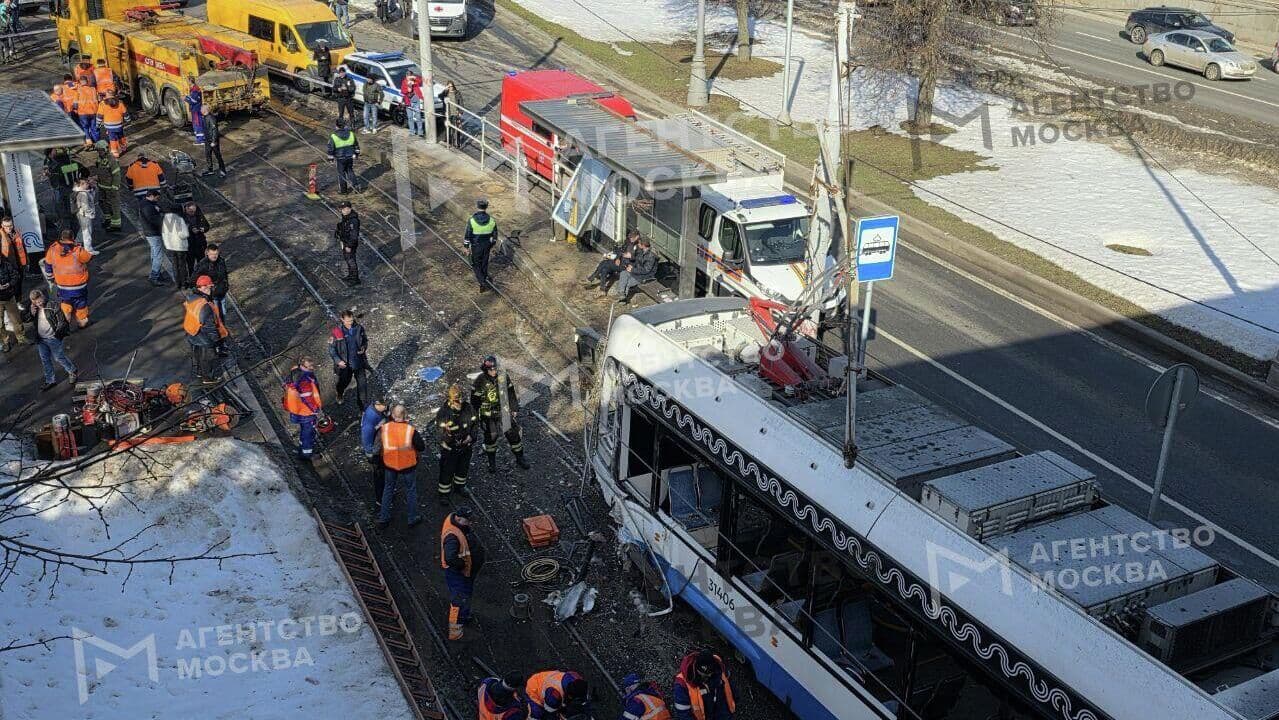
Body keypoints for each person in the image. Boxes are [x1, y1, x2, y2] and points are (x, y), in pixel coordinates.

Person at [471, 355, 529, 472]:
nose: (493, 371)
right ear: (485, 369)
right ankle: (492, 463)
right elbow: (474, 401)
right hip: (488, 415)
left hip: (504, 412)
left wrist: (514, 408)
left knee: (513, 435)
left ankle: (520, 458)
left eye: (495, 369)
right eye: (491, 369)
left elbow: (511, 392)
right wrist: (476, 417)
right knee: (491, 438)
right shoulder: (479, 381)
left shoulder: (503, 377)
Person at [374, 403, 425, 527]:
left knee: (388, 489)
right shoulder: (410, 430)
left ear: (392, 415)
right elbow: (421, 447)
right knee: (411, 490)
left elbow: (377, 447)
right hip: (408, 466)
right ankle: (412, 518)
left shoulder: (384, 428)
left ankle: (383, 517)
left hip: (390, 465)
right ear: (405, 416)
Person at [439, 505, 484, 640]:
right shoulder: (452, 536)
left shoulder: (455, 521)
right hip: (457, 573)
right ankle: (455, 632)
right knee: (459, 599)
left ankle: (464, 615)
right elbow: (450, 558)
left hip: (464, 572)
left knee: (465, 595)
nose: (471, 523)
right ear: (459, 518)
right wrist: (462, 564)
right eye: (468, 520)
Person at [21, 289, 76, 391]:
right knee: (45, 360)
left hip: (52, 337)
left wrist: (57, 334)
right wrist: (31, 313)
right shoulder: (33, 308)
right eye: (36, 302)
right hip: (41, 339)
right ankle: (50, 380)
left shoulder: (52, 305)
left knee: (58, 357)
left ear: (42, 296)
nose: (39, 303)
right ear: (33, 301)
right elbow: (25, 319)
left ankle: (71, 370)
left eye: (40, 300)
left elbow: (61, 321)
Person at [40, 230, 92, 329]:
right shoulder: (78, 250)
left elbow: (48, 265)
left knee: (65, 303)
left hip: (62, 286)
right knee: (81, 304)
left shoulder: (53, 249)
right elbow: (88, 258)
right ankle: (82, 323)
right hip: (79, 286)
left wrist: (50, 278)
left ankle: (65, 323)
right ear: (72, 238)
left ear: (61, 238)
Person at [434, 383, 476, 503]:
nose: (460, 404)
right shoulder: (444, 413)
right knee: (447, 470)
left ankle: (460, 487)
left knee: (463, 468)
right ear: (451, 400)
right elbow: (439, 431)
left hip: (465, 446)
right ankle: (444, 493)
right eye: (457, 401)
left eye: (461, 400)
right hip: (450, 448)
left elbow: (474, 424)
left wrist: (471, 437)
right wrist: (446, 442)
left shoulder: (468, 408)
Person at [183, 274, 228, 382]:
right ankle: (208, 378)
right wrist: (217, 340)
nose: (211, 289)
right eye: (209, 287)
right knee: (209, 357)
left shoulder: (193, 299)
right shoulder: (205, 305)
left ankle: (200, 372)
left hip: (192, 331)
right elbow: (209, 326)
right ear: (203, 287)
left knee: (198, 355)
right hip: (203, 335)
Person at [672, 652, 735, 720]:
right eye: (705, 675)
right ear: (697, 669)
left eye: (710, 673)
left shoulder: (718, 670)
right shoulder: (681, 685)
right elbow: (684, 714)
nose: (709, 676)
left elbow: (728, 694)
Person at [283, 358, 324, 461]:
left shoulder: (294, 374)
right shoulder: (305, 380)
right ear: (304, 366)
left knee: (304, 432)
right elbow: (308, 398)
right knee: (308, 434)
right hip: (307, 412)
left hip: (298, 411)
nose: (313, 368)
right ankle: (307, 454)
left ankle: (302, 449)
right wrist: (316, 410)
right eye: (311, 367)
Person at [327, 309, 369, 405]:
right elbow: (331, 349)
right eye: (348, 321)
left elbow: (365, 340)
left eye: (352, 320)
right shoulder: (336, 332)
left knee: (362, 385)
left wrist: (363, 348)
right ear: (342, 319)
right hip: (345, 365)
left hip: (359, 362)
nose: (350, 323)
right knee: (344, 382)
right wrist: (338, 361)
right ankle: (339, 392)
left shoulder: (359, 328)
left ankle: (363, 407)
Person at [583, 228, 639, 293]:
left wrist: (632, 257)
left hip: (627, 266)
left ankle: (591, 279)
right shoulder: (629, 241)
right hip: (621, 262)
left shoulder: (638, 246)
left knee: (605, 263)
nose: (630, 238)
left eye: (632, 237)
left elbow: (638, 259)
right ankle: (602, 290)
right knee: (604, 268)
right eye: (630, 237)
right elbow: (621, 251)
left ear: (637, 236)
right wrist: (617, 258)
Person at [138, 188, 173, 286]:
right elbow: (155, 220)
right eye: (156, 198)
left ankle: (156, 273)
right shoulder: (148, 207)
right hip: (153, 233)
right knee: (158, 255)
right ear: (151, 196)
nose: (157, 200)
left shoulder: (145, 203)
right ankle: (154, 277)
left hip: (150, 233)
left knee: (154, 253)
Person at [86, 141, 122, 231]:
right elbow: (101, 173)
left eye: (100, 150)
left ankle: (116, 225)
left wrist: (114, 188)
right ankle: (108, 219)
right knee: (103, 204)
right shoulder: (100, 159)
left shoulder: (112, 161)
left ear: (105, 149)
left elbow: (117, 175)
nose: (99, 152)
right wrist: (94, 178)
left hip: (110, 188)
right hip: (102, 187)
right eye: (98, 150)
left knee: (113, 206)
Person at [526, 671, 590, 720]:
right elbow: (550, 713)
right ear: (570, 696)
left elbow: (584, 700)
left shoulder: (575, 680)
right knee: (537, 714)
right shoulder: (553, 697)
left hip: (542, 679)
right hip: (534, 689)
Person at [361, 398, 389, 507]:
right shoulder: (370, 418)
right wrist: (370, 454)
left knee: (383, 474)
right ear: (378, 404)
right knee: (379, 476)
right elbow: (366, 437)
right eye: (385, 405)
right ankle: (380, 500)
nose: (386, 407)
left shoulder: (376, 412)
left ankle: (384, 494)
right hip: (375, 453)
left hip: (379, 450)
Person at [464, 198, 496, 292]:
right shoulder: (491, 220)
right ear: (486, 207)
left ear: (477, 206)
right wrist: (491, 245)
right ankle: (484, 278)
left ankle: (482, 282)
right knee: (484, 263)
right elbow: (495, 236)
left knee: (475, 264)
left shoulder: (472, 220)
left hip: (476, 246)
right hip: (486, 245)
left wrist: (466, 247)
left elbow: (468, 234)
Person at [613, 238, 658, 304]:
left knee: (628, 283)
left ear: (643, 245)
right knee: (623, 273)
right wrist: (632, 266)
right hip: (637, 272)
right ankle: (622, 294)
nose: (638, 244)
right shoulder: (642, 251)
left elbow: (646, 270)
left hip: (645, 276)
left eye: (639, 243)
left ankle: (623, 300)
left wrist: (633, 269)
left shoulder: (651, 256)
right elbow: (637, 262)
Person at [190, 243, 228, 316]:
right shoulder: (203, 265)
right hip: (212, 294)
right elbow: (193, 279)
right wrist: (201, 290)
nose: (214, 256)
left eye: (216, 253)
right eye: (212, 254)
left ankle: (223, 327)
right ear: (207, 253)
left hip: (222, 291)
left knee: (223, 312)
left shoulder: (221, 261)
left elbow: (224, 275)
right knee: (216, 314)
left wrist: (226, 286)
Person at [0, 254, 28, 352]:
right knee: (0, 324)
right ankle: (5, 342)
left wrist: (9, 284)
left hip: (9, 298)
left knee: (16, 319)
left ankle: (21, 338)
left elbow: (16, 276)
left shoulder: (7, 265)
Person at [326, 121, 360, 195]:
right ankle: (356, 186)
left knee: (341, 174)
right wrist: (356, 154)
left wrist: (330, 159)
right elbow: (356, 145)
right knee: (350, 171)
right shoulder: (351, 133)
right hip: (350, 156)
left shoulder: (334, 136)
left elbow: (330, 149)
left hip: (340, 158)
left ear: (336, 126)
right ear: (344, 126)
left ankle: (344, 191)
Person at [0, 215, 28, 303]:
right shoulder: (0, 237)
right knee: (10, 286)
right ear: (2, 225)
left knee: (19, 284)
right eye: (6, 226)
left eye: (10, 225)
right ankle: (11, 305)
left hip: (19, 264)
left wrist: (27, 262)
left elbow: (23, 248)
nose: (9, 228)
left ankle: (18, 302)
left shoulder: (16, 233)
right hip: (7, 267)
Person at [162, 207, 190, 290]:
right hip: (179, 246)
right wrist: (187, 228)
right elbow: (183, 234)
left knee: (175, 264)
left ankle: (178, 283)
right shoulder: (179, 220)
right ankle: (184, 283)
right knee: (182, 264)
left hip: (170, 246)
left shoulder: (166, 219)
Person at [334, 200, 361, 283]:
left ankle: (355, 279)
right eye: (342, 209)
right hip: (345, 242)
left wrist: (349, 246)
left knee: (351, 260)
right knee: (348, 259)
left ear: (350, 209)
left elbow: (354, 235)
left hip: (350, 244)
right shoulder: (346, 217)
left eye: (345, 209)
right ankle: (351, 275)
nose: (343, 211)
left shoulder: (353, 221)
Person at [71, 176, 98, 255]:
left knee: (82, 230)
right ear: (82, 185)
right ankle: (88, 250)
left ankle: (76, 243)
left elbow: (90, 198)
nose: (88, 185)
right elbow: (85, 206)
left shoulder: (80, 192)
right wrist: (91, 214)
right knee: (87, 232)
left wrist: (93, 189)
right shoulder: (83, 194)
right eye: (86, 183)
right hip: (85, 215)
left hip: (81, 214)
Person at [183, 202, 210, 271]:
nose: (193, 213)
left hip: (200, 243)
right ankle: (192, 277)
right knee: (190, 264)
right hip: (189, 244)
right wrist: (191, 229)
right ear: (186, 209)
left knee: (201, 262)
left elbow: (207, 225)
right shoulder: (182, 217)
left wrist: (203, 229)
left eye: (194, 211)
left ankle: (201, 276)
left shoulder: (199, 215)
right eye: (191, 211)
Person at [72, 75, 100, 145]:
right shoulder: (93, 89)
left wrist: (75, 110)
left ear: (80, 82)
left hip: (83, 112)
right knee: (94, 127)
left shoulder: (78, 90)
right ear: (87, 81)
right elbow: (98, 99)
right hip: (93, 111)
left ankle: (88, 140)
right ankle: (97, 142)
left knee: (85, 127)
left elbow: (75, 102)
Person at [202, 104, 227, 177]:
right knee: (208, 155)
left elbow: (214, 130)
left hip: (213, 141)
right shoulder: (205, 117)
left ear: (205, 110)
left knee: (218, 156)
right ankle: (210, 170)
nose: (200, 110)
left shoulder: (211, 118)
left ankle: (223, 171)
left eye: (201, 109)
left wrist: (213, 141)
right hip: (207, 140)